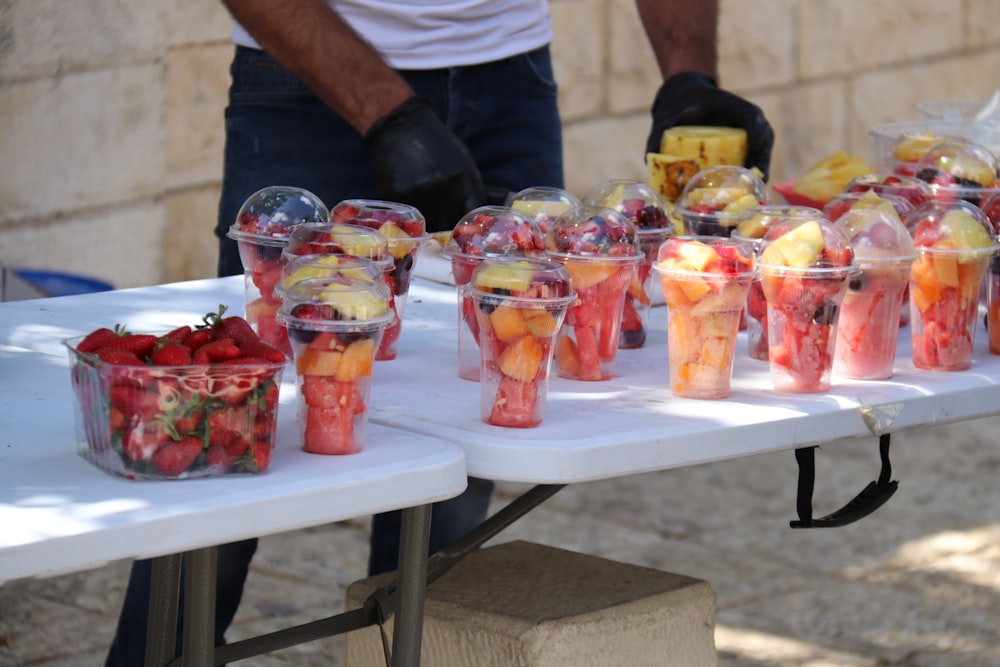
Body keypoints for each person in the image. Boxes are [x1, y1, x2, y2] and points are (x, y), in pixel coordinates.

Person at [105, 0, 774, 662]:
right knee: (234, 425)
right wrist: (384, 110)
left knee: (482, 416)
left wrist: (689, 77)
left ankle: (405, 652)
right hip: (306, 79)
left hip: (511, 80)